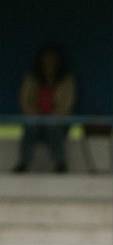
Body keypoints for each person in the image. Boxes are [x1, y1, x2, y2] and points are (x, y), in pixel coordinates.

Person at [12, 44, 76, 174]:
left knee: (52, 126)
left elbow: (67, 104)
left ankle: (60, 164)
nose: (49, 63)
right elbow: (24, 100)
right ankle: (23, 164)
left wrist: (55, 115)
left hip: (57, 120)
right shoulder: (31, 78)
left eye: (52, 59)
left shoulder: (66, 80)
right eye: (46, 59)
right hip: (36, 118)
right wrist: (32, 113)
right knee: (31, 125)